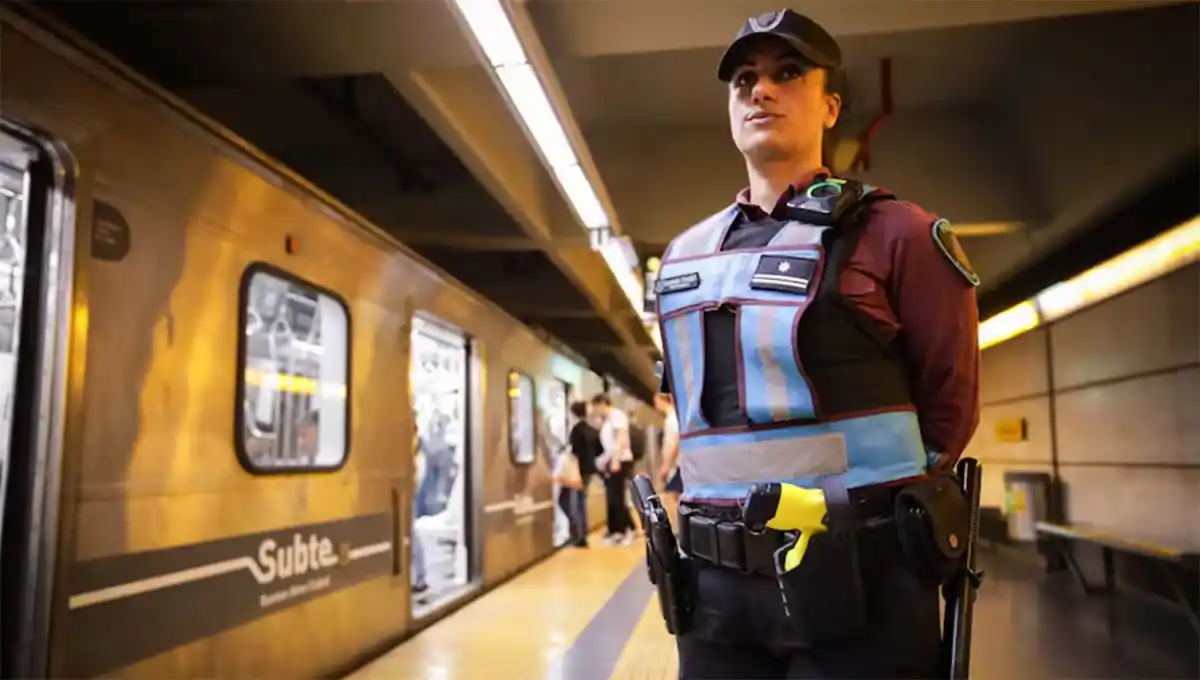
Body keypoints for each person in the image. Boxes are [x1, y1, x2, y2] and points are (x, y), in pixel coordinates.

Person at [652, 9, 980, 679]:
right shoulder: (683, 257)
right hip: (713, 595)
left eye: (787, 74)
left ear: (830, 107)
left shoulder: (898, 234)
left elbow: (950, 405)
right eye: (744, 80)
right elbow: (684, 409)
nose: (760, 91)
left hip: (862, 582)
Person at [591, 394, 637, 546]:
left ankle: (629, 529)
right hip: (612, 461)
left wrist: (616, 459)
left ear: (603, 403)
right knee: (613, 497)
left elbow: (621, 438)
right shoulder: (607, 420)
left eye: (597, 407)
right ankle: (618, 530)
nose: (596, 411)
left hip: (621, 460)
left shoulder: (617, 416)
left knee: (616, 497)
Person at [566, 400, 602, 546]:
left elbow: (573, 453)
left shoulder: (576, 430)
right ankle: (583, 535)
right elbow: (599, 450)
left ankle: (579, 537)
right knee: (581, 502)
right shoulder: (592, 430)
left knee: (576, 503)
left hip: (579, 470)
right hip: (590, 470)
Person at [654, 393, 682, 521]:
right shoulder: (671, 418)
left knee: (669, 496)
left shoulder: (673, 418)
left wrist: (667, 464)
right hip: (676, 465)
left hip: (677, 465)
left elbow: (677, 441)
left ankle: (678, 531)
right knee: (675, 498)